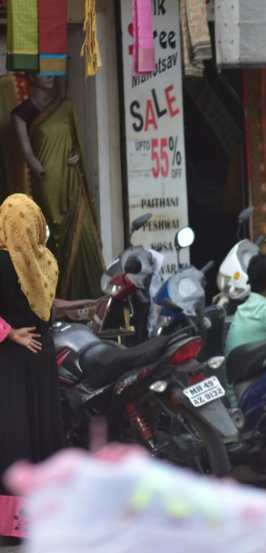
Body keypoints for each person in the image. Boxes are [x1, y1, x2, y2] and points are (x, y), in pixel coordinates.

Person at [0, 194, 64, 537]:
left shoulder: (2, 260)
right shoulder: (46, 260)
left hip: (11, 362)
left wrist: (9, 334)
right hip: (40, 355)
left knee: (15, 436)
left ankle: (14, 524)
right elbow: (50, 311)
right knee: (42, 429)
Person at [11, 75, 104, 299]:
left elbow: (76, 142)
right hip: (47, 180)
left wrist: (75, 154)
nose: (49, 75)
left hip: (71, 176)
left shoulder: (65, 106)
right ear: (32, 76)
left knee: (83, 231)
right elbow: (28, 154)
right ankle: (59, 295)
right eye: (43, 70)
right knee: (54, 232)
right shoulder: (21, 114)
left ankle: (89, 291)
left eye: (52, 69)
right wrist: (38, 167)